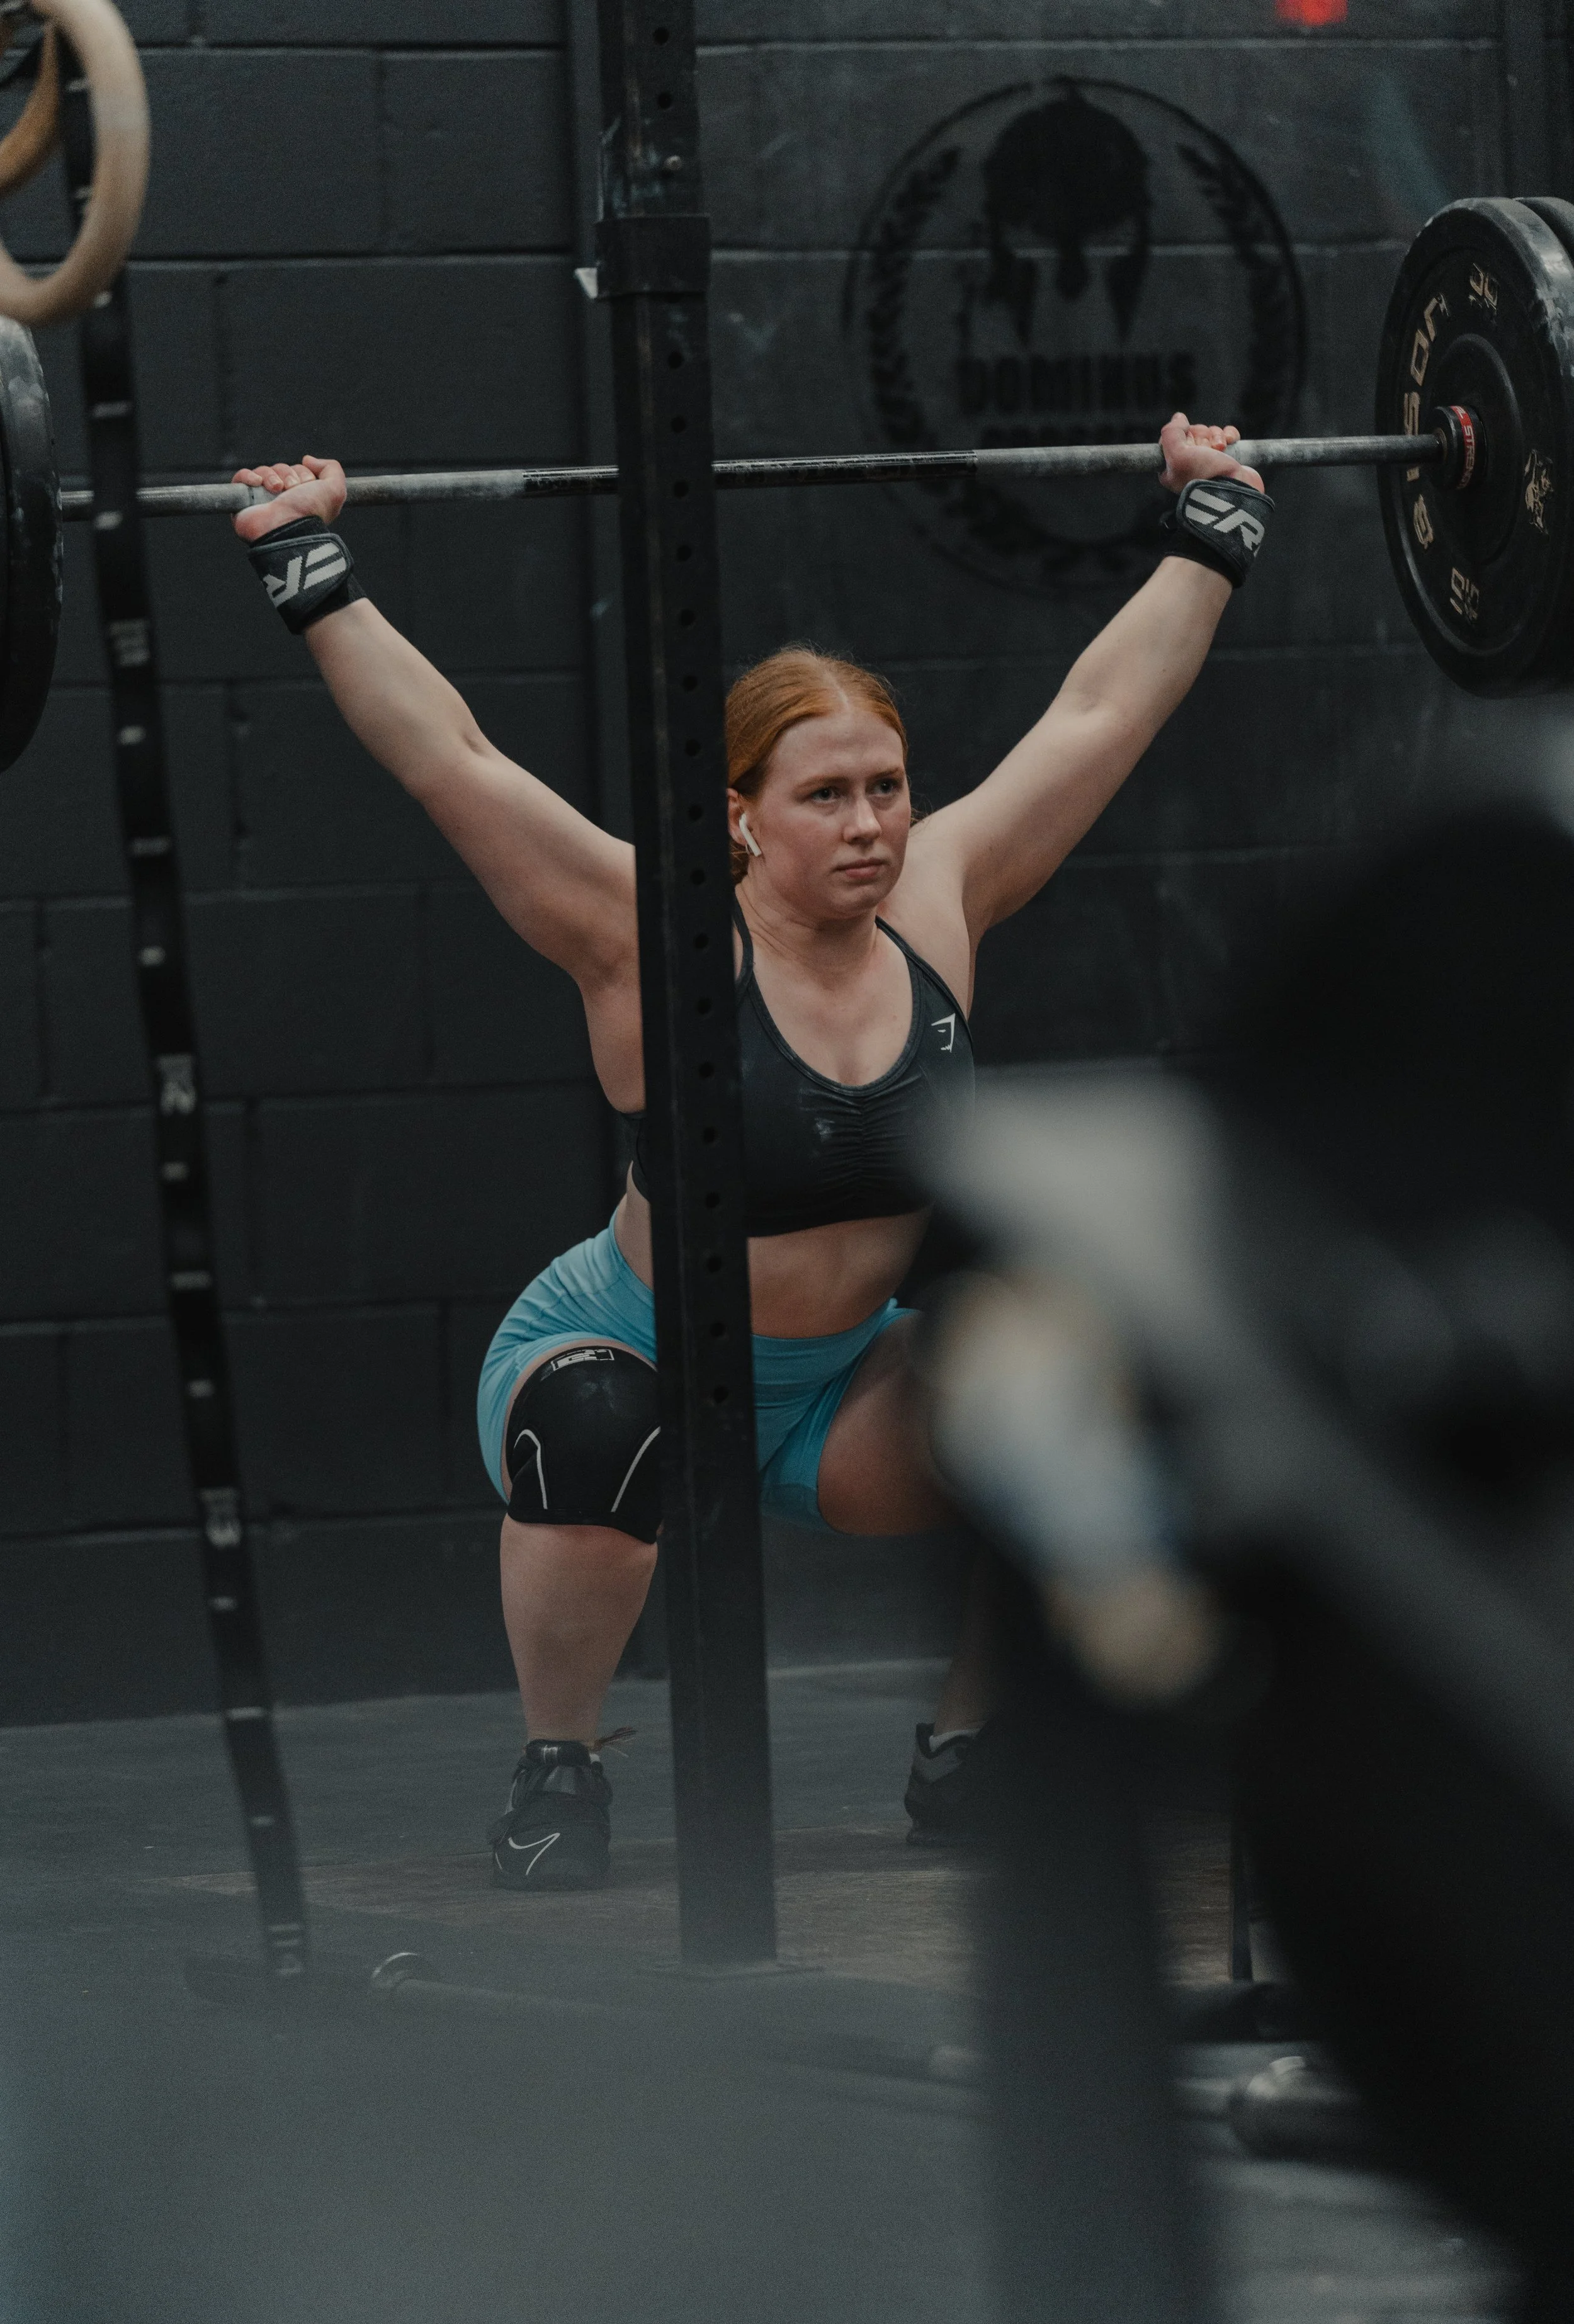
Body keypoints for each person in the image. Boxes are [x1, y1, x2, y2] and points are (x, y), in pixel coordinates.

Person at [230, 416, 1271, 1890]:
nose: (870, 826)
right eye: (825, 796)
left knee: (1064, 1370)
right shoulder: (645, 932)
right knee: (601, 1426)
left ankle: (972, 1750)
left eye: (886, 788)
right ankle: (559, 1768)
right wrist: (310, 563)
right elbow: (451, 759)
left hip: (840, 1398)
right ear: (739, 815)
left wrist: (1211, 525)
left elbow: (1099, 714)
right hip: (623, 1349)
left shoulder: (941, 896)